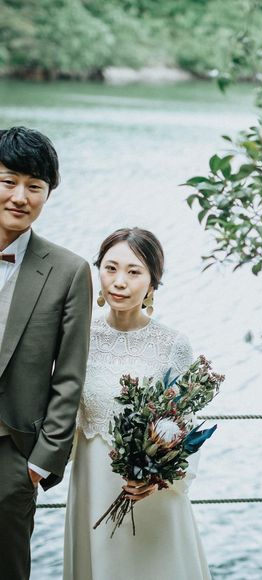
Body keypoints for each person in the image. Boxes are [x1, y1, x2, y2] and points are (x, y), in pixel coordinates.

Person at [64, 227, 211, 580]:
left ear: (152, 283)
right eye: (110, 268)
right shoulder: (77, 338)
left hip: (153, 495)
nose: (119, 282)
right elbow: (60, 415)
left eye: (134, 272)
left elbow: (186, 428)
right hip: (93, 488)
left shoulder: (173, 344)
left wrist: (159, 479)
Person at [0, 126, 92, 579]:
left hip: (11, 454)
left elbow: (70, 375)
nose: (20, 196)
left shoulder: (69, 272)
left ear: (48, 193)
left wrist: (38, 464)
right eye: (8, 181)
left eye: (34, 186)